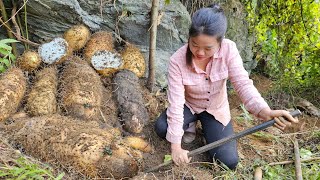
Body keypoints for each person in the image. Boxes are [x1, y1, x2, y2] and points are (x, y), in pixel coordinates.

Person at [154, 4, 298, 170]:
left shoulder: (229, 50)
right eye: (194, 45)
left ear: (220, 42)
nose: (200, 53)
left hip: (216, 109)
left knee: (228, 162)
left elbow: (243, 84)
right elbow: (176, 103)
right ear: (189, 38)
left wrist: (265, 111)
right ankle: (190, 126)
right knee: (162, 128)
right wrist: (176, 147)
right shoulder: (177, 61)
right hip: (189, 106)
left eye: (208, 48)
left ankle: (208, 132)